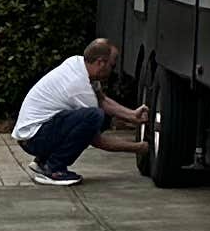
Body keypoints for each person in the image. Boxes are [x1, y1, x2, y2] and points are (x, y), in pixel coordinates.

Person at [13, 35, 148, 188]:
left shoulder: (78, 64)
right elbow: (97, 140)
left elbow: (102, 100)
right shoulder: (78, 86)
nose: (113, 70)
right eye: (112, 65)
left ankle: (43, 161)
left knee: (99, 116)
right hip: (33, 139)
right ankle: (54, 169)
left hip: (34, 133)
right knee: (95, 116)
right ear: (101, 63)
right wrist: (138, 148)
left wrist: (132, 115)